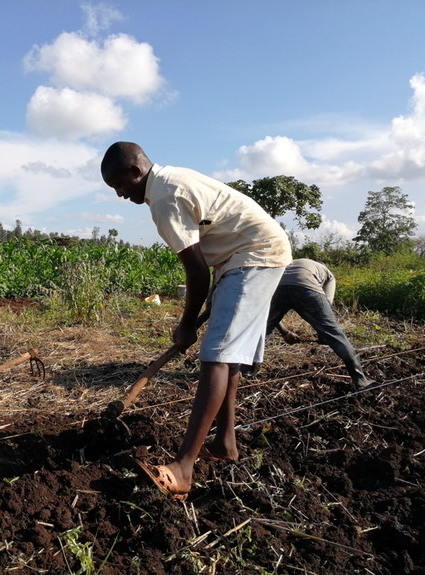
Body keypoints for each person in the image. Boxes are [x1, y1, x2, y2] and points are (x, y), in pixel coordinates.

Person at [101, 141, 292, 499]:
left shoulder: (164, 198)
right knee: (227, 355)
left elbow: (196, 271)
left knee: (216, 356)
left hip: (254, 255)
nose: (120, 194)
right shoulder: (170, 179)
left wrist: (186, 323)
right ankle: (224, 443)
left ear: (134, 171)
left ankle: (183, 467)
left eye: (119, 186)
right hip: (245, 255)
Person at [265, 258, 376, 390]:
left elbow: (268, 316)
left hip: (279, 287)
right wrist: (323, 334)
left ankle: (246, 370)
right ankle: (360, 380)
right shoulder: (328, 275)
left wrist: (285, 332)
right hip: (306, 289)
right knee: (334, 333)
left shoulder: (291, 264)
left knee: (263, 328)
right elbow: (325, 307)